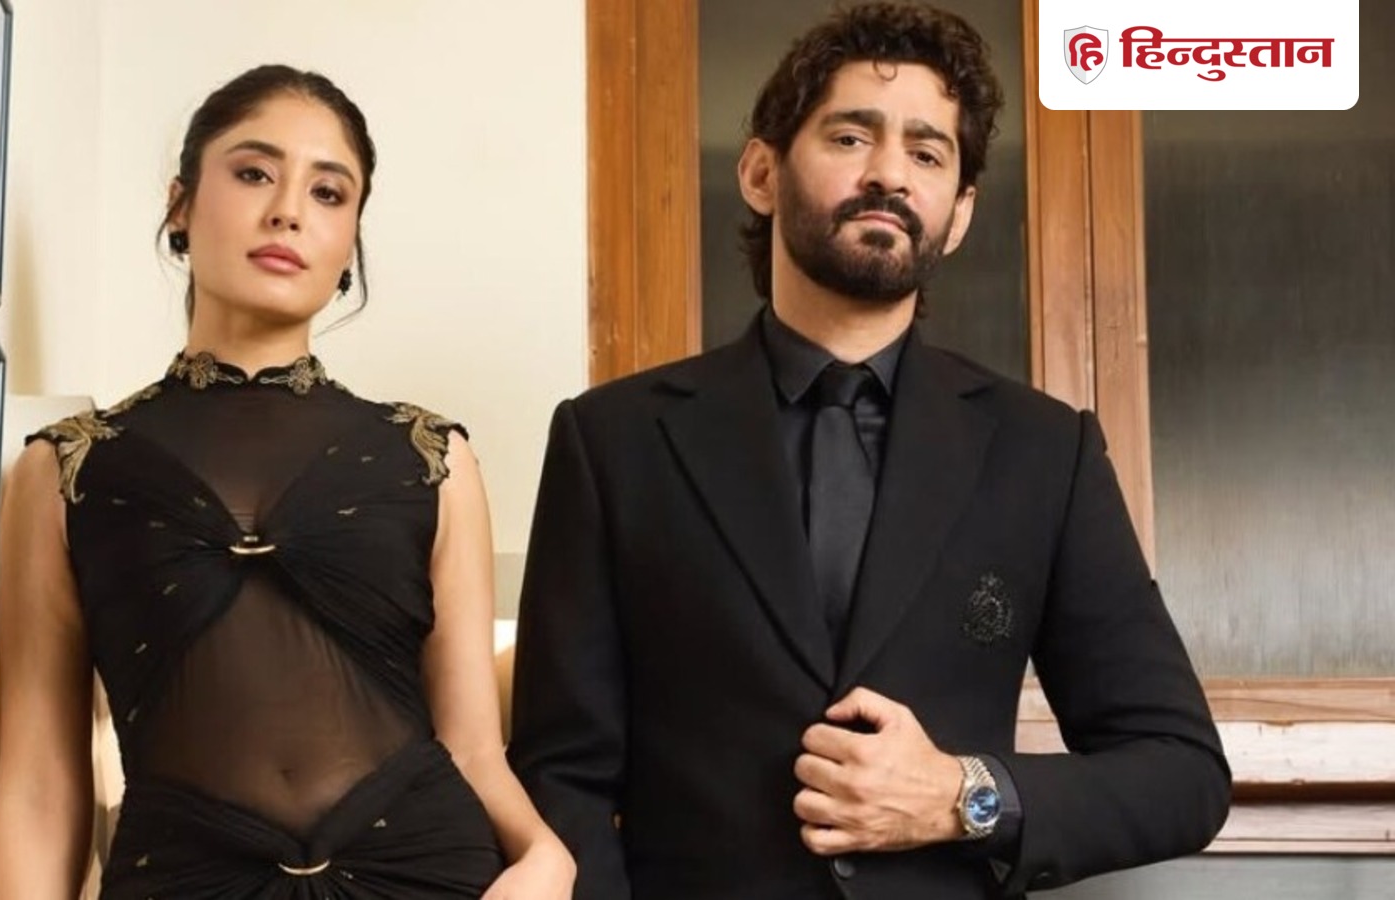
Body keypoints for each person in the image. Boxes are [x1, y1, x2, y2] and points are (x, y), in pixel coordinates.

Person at [507, 5, 1230, 898]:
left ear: (958, 215)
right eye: (851, 137)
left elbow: (1180, 771)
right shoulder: (612, 441)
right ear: (761, 172)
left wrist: (962, 796)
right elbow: (561, 775)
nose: (889, 173)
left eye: (927, 154)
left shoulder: (1047, 452)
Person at [0, 64, 574, 899]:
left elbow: (474, 748)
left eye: (328, 192)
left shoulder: (432, 457)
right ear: (180, 205)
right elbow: (39, 778)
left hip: (428, 876)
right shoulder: (63, 469)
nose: (289, 210)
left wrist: (548, 857)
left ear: (349, 245)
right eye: (255, 173)